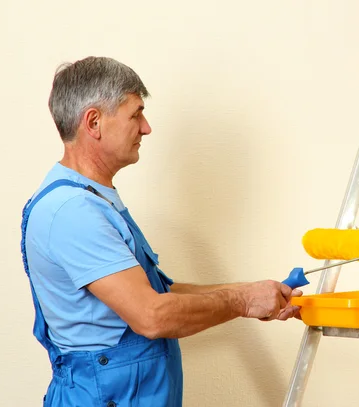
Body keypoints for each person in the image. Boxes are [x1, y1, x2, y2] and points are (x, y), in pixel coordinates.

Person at [20, 56, 302, 407]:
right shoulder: (71, 211)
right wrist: (243, 302)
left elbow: (157, 291)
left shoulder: (93, 200)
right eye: (135, 114)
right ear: (94, 122)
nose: (146, 127)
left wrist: (253, 291)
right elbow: (152, 315)